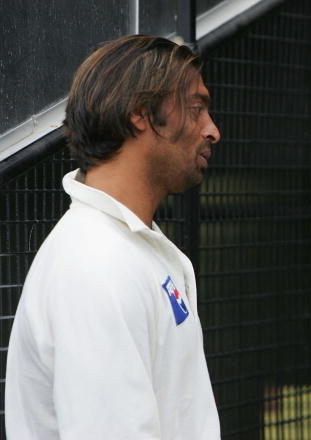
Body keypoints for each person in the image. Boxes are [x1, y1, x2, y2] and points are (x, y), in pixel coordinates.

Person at [6, 34, 221, 439]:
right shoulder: (94, 263)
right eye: (196, 108)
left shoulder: (128, 247)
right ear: (140, 113)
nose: (212, 130)